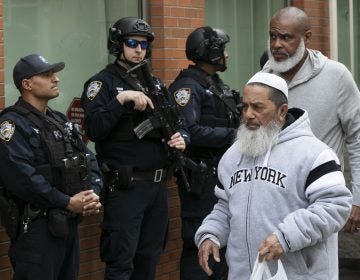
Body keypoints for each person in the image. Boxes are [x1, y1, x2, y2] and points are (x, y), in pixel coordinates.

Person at [195, 72, 352, 280]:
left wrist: (286, 237)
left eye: (258, 107)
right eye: (245, 107)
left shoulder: (314, 153)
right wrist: (210, 234)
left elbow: (335, 206)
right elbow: (225, 207)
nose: (248, 114)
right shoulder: (232, 156)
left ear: (282, 111)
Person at [80, 17, 187, 280]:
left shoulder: (156, 85)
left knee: (149, 258)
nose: (139, 49)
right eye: (132, 43)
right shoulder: (102, 84)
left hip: (157, 186)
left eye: (143, 44)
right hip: (126, 187)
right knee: (121, 262)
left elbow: (178, 123)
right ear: (118, 45)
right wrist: (120, 99)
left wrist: (182, 137)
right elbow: (93, 129)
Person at [0, 54, 102, 280]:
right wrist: (66, 201)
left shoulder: (59, 120)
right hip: (37, 229)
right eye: (46, 75)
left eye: (54, 74)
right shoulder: (11, 124)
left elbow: (88, 157)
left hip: (67, 223)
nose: (55, 79)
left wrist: (93, 192)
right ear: (27, 84)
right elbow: (22, 177)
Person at [262, 6, 360, 234]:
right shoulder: (264, 79)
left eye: (286, 37)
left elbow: (357, 138)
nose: (276, 44)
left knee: (317, 271)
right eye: (273, 36)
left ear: (306, 38)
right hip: (272, 204)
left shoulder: (336, 76)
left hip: (320, 205)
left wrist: (358, 197)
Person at [169, 26, 241, 280]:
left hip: (222, 176)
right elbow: (188, 131)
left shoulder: (216, 84)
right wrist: (234, 136)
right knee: (198, 242)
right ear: (209, 52)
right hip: (201, 178)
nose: (226, 56)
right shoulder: (187, 88)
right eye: (222, 50)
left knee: (221, 244)